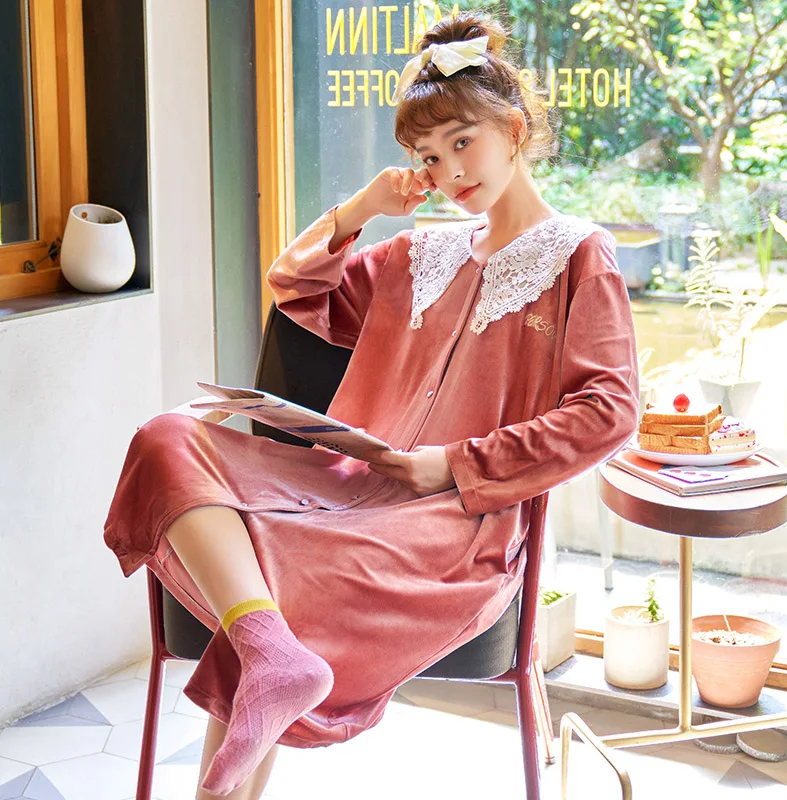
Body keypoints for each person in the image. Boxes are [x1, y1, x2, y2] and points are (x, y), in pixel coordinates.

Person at [103, 11, 640, 799]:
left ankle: (266, 659)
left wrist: (450, 465)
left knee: (279, 585)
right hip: (340, 489)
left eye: (463, 141)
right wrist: (364, 207)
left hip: (452, 524)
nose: (449, 170)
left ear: (514, 129)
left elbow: (609, 410)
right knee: (167, 436)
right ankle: (273, 652)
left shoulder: (579, 257)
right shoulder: (415, 254)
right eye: (429, 156)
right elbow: (296, 287)